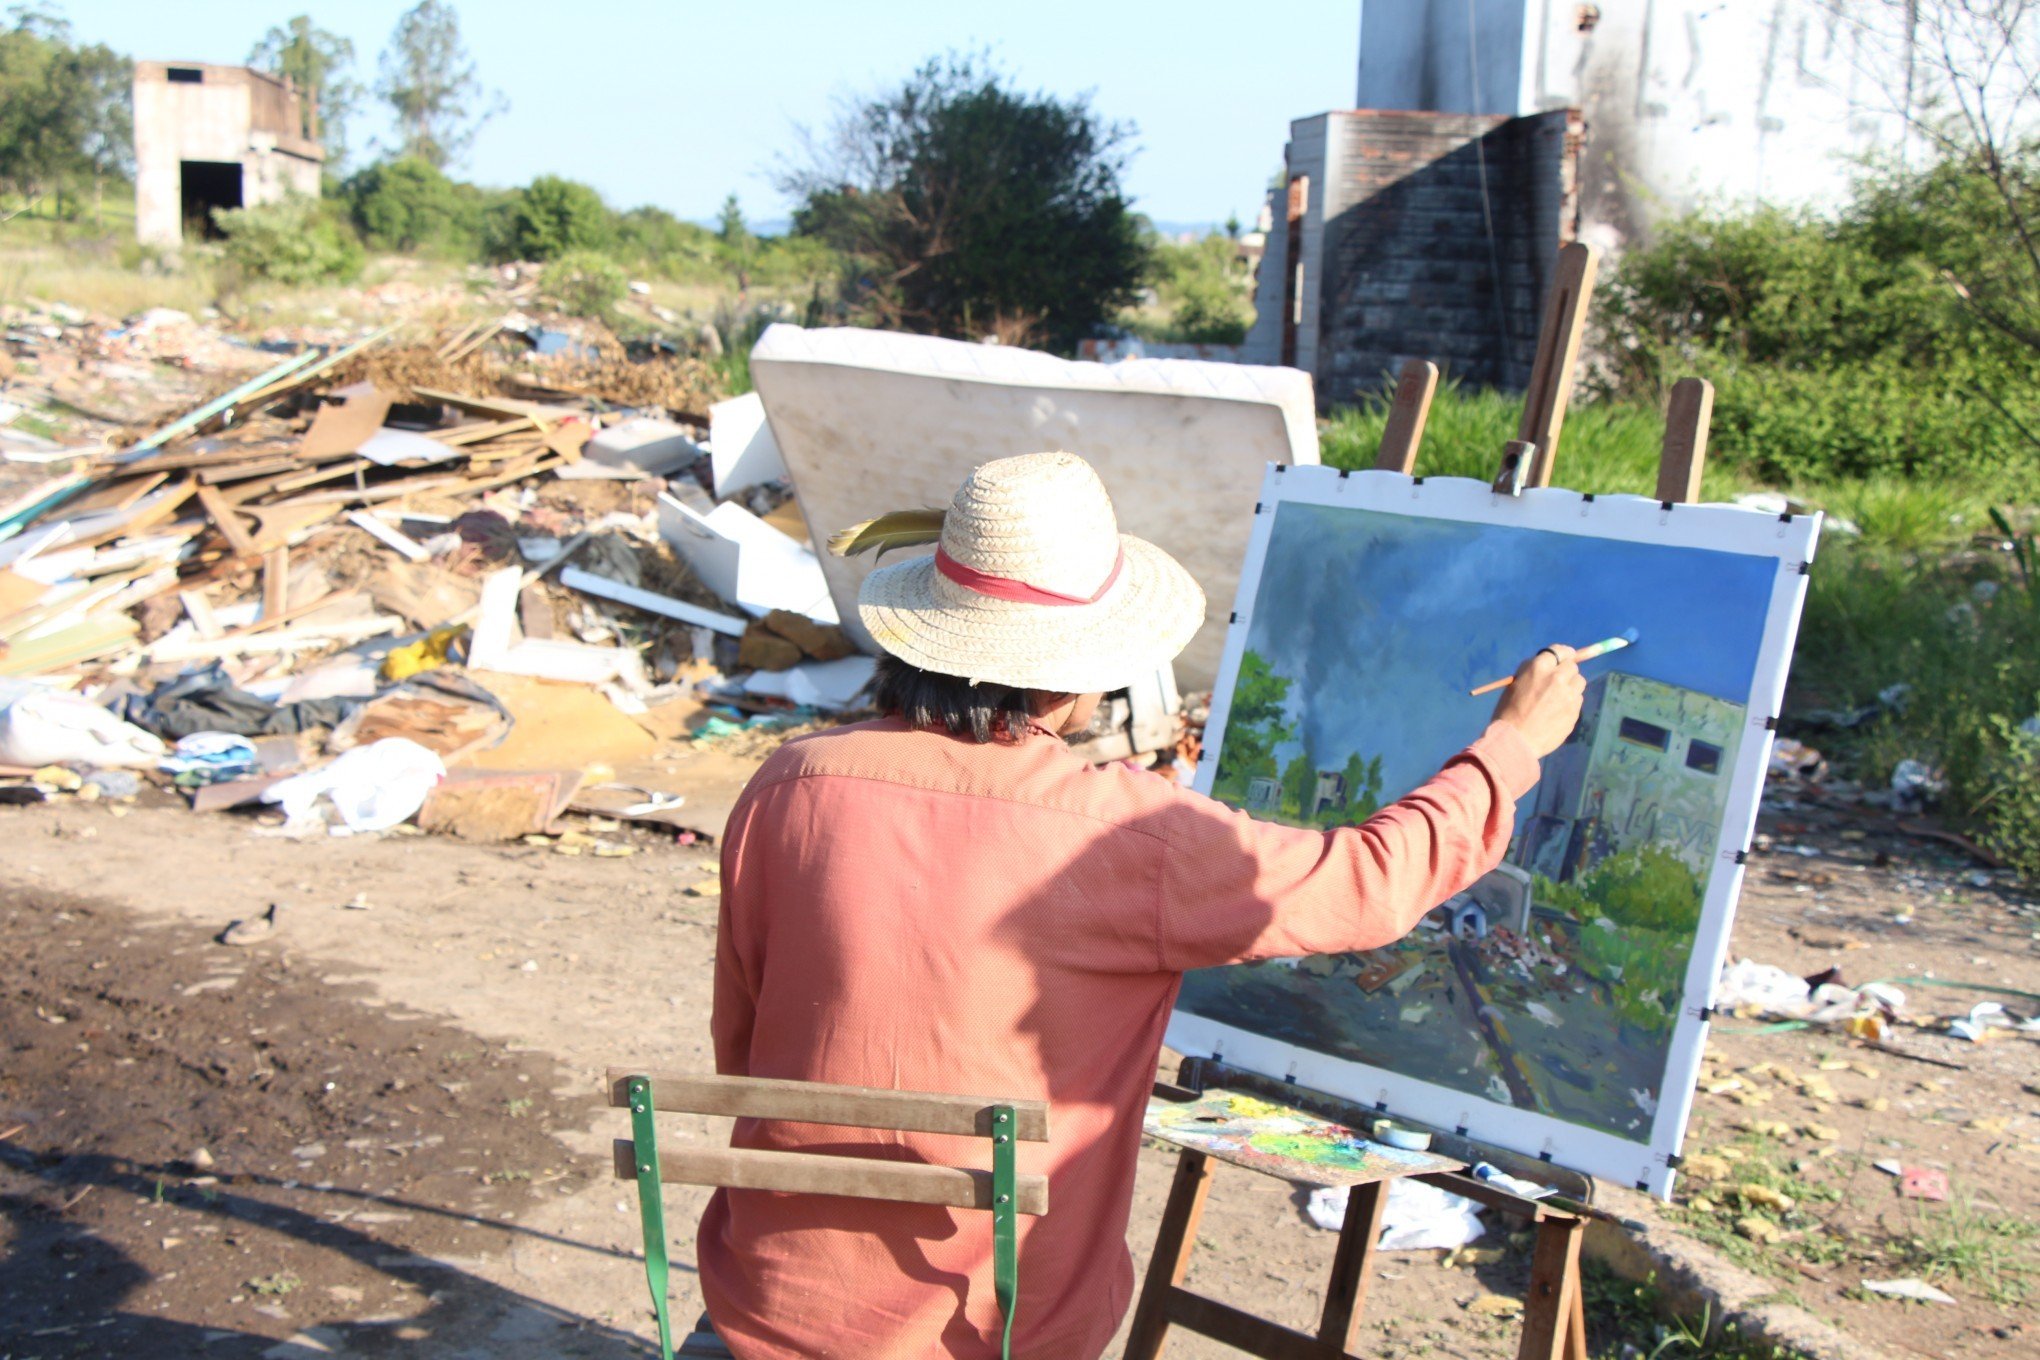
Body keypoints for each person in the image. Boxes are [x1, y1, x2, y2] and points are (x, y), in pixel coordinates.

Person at [697, 451, 1586, 1359]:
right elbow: (1366, 882)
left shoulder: (790, 783)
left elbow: (747, 1040)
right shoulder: (1122, 835)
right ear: (1077, 674)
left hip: (770, 1301)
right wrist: (1511, 748)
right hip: (993, 1329)